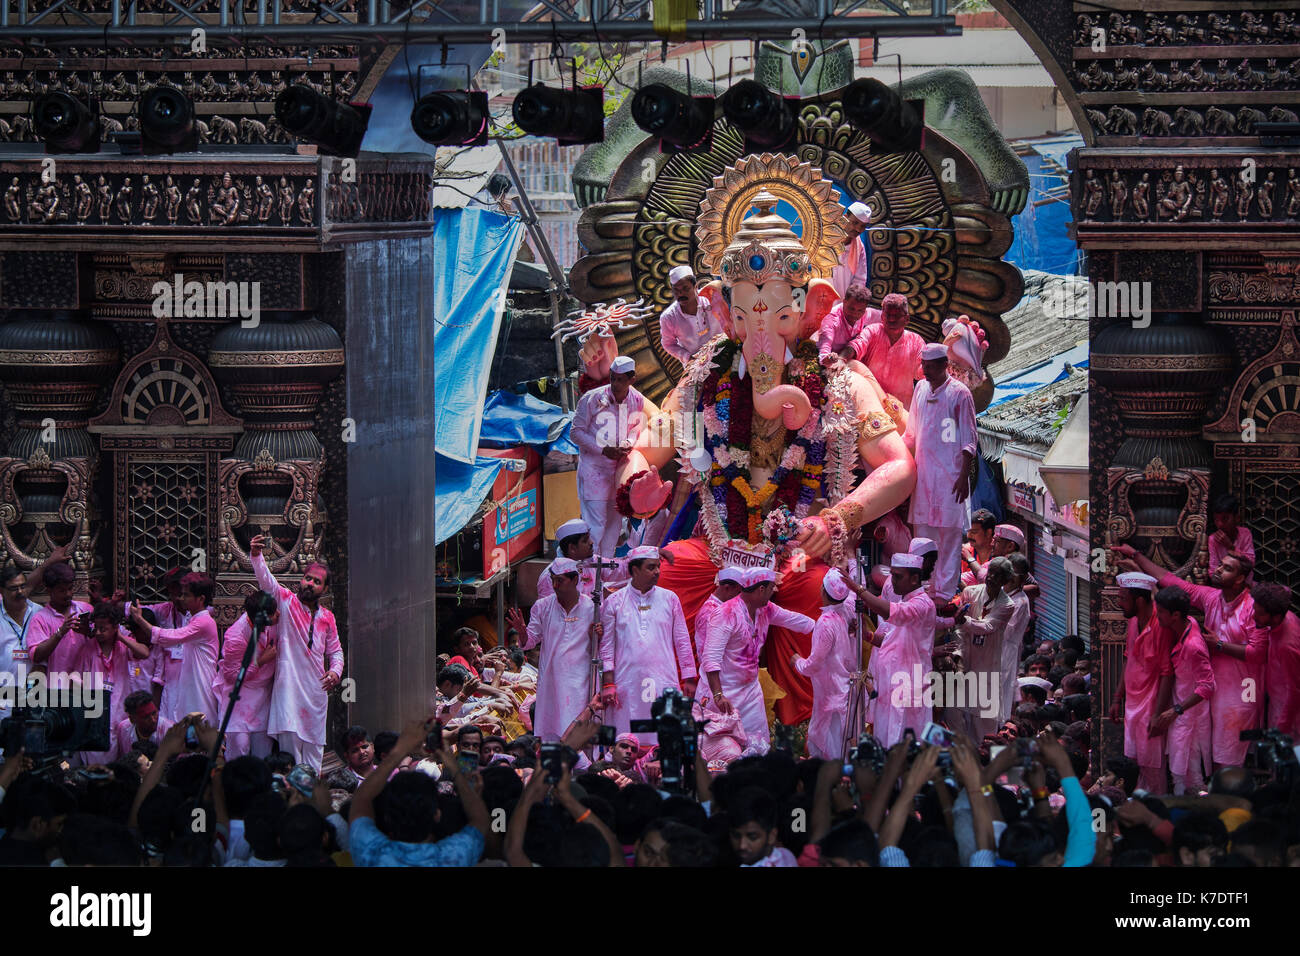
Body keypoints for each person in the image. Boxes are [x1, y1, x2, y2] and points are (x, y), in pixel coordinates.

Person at [1116, 542, 1260, 770]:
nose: (1219, 570)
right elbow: (1171, 582)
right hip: (1212, 691)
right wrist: (1137, 557)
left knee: (1228, 758)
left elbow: (1259, 653)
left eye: (1228, 568)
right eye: (1220, 565)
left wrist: (1220, 645)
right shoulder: (1213, 598)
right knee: (1210, 755)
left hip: (1242, 693)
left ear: (1241, 579)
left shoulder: (1252, 608)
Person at [248, 533, 344, 770]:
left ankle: (310, 802)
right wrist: (256, 556)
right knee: (291, 758)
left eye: (316, 581)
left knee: (314, 756)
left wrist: (336, 672)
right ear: (301, 580)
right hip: (288, 691)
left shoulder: (327, 618)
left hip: (315, 693)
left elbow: (336, 651)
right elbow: (266, 582)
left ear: (324, 588)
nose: (310, 584)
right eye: (307, 579)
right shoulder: (285, 602)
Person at [702, 567, 814, 755]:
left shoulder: (765, 610)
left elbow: (795, 620)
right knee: (725, 752)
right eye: (771, 588)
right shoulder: (725, 613)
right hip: (724, 693)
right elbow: (711, 658)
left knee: (758, 748)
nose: (773, 593)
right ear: (761, 590)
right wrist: (718, 694)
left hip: (750, 690)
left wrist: (826, 628)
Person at [349, 716, 489, 866]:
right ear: (437, 814)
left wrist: (400, 750)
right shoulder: (454, 856)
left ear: (387, 817)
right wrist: (451, 763)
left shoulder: (372, 853)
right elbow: (480, 819)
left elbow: (360, 801)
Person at [903, 342, 977, 602]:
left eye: (932, 367)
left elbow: (969, 438)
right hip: (923, 478)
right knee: (922, 537)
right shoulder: (921, 389)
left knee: (949, 540)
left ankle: (943, 595)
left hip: (950, 478)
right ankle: (922, 591)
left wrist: (963, 475)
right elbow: (910, 433)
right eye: (924, 366)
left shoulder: (960, 394)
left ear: (945, 366)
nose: (926, 371)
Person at [598, 546, 697, 738]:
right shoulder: (614, 602)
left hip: (663, 678)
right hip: (627, 680)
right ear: (635, 570)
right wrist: (608, 684)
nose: (657, 572)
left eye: (658, 567)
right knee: (627, 735)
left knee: (662, 734)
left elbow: (682, 641)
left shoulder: (670, 599)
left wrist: (689, 679)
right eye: (651, 567)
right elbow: (607, 646)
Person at [509, 557, 599, 740]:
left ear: (575, 580)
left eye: (560, 580)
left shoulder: (592, 608)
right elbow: (530, 642)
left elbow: (601, 645)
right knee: (552, 731)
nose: (555, 585)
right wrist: (522, 632)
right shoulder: (542, 606)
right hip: (551, 681)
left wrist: (596, 635)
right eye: (553, 580)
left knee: (578, 728)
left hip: (580, 681)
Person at [571, 355, 648, 558]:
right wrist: (603, 449)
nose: (614, 383)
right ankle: (587, 574)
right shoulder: (591, 398)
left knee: (614, 526)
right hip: (593, 469)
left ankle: (602, 575)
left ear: (632, 379)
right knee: (595, 525)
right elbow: (575, 432)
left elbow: (635, 427)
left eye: (620, 379)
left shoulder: (637, 400)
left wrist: (628, 444)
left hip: (618, 470)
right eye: (612, 378)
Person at [860, 553, 938, 746]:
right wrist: (866, 634)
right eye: (892, 575)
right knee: (886, 740)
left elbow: (893, 613)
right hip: (890, 685)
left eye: (898, 576)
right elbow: (885, 639)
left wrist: (859, 590)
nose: (892, 581)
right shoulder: (904, 602)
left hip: (910, 686)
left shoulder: (923, 604)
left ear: (914, 579)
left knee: (907, 744)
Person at [1107, 571, 1174, 793]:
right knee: (1134, 767)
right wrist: (1118, 698)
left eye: (1122, 598)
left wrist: (1157, 714)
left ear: (1139, 600)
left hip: (1150, 707)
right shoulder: (1134, 622)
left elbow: (1167, 673)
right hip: (1132, 707)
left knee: (1153, 770)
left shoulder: (1161, 626)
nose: (1119, 603)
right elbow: (1129, 659)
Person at [1148, 587, 1215, 795]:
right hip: (1183, 716)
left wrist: (1175, 710)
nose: (1157, 616)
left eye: (1160, 613)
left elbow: (1208, 686)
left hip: (1190, 718)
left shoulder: (1193, 645)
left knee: (1188, 775)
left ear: (1175, 615)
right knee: (1180, 771)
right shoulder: (1187, 625)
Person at [127, 572, 220, 724]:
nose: (181, 599)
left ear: (201, 599)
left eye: (186, 595)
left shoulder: (203, 621)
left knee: (200, 732)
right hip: (188, 684)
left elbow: (170, 637)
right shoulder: (193, 617)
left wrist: (140, 620)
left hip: (200, 685)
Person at [791, 568, 861, 760]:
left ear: (822, 590)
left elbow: (814, 664)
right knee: (846, 740)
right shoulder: (848, 608)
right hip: (845, 690)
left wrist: (797, 662)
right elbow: (854, 589)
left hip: (830, 696)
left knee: (831, 749)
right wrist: (851, 557)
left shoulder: (826, 622)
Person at [953, 556, 1015, 741]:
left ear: (1005, 581)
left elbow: (987, 627)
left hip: (986, 670)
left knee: (984, 729)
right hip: (963, 665)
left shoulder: (1007, 604)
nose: (992, 578)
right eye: (991, 573)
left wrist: (961, 619)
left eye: (998, 575)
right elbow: (958, 631)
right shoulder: (971, 592)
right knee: (954, 715)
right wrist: (958, 655)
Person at [213, 593, 280, 760]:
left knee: (263, 751)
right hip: (240, 698)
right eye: (273, 613)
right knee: (238, 749)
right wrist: (261, 661)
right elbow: (231, 676)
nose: (278, 614)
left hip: (263, 694)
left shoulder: (274, 622)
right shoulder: (236, 636)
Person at [849, 293, 924, 410]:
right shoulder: (873, 331)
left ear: (907, 319)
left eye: (897, 315)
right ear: (882, 316)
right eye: (888, 315)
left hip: (900, 410)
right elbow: (857, 345)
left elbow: (922, 373)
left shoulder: (916, 341)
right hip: (868, 403)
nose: (892, 320)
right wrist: (841, 358)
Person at [25, 561, 93, 685]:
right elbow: (36, 656)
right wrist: (60, 633)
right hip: (58, 690)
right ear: (49, 590)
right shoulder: (40, 619)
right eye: (62, 590)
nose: (68, 594)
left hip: (88, 686)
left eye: (70, 589)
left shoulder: (85, 609)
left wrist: (88, 632)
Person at [1250, 583, 1300, 737]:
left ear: (1276, 616)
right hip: (1278, 701)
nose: (1253, 616)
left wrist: (1282, 727)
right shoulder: (1285, 616)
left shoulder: (1287, 645)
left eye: (1260, 614)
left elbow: (1295, 691)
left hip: (1289, 714)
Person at [535, 517, 627, 601]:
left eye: (589, 538)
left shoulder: (592, 561)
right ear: (572, 548)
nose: (591, 542)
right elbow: (546, 612)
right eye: (585, 540)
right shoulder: (550, 576)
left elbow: (620, 569)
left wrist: (638, 557)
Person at [691, 566, 745, 706]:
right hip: (716, 685)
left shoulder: (724, 608)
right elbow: (707, 656)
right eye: (739, 592)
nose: (741, 598)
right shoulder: (710, 612)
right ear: (727, 588)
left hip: (727, 682)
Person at [658, 265, 726, 365]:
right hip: (697, 365)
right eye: (676, 290)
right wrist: (687, 357)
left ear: (695, 287)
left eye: (685, 289)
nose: (681, 294)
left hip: (726, 351)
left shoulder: (711, 298)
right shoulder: (668, 317)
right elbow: (668, 344)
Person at [0, 565, 40, 720]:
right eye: (13, 588)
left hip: (33, 694)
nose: (20, 592)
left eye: (23, 586)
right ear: (2, 590)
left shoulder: (38, 612)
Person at [729, 786, 797, 867]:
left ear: (772, 836)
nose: (742, 846)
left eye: (752, 837)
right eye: (736, 836)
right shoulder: (785, 855)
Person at [817, 283, 876, 367]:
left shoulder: (866, 313)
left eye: (860, 310)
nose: (855, 314)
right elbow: (824, 351)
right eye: (851, 308)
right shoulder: (831, 319)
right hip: (831, 365)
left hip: (849, 360)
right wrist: (829, 358)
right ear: (844, 302)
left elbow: (883, 316)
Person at [113, 690, 173, 761]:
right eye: (146, 717)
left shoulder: (169, 730)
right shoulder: (123, 729)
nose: (153, 720)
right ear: (132, 719)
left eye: (154, 713)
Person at [830, 201, 871, 297]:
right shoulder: (825, 237)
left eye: (862, 226)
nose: (858, 229)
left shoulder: (859, 248)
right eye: (855, 223)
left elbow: (859, 280)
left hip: (841, 305)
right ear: (845, 217)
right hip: (817, 300)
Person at [1208, 493, 1254, 575]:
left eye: (1225, 519)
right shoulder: (1213, 539)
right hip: (1223, 584)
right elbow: (1212, 571)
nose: (1219, 524)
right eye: (1216, 519)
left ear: (1237, 518)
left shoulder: (1245, 534)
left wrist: (1230, 547)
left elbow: (1250, 564)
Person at [960, 509, 997, 588]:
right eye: (968, 531)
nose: (969, 536)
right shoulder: (964, 551)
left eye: (974, 532)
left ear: (988, 532)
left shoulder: (999, 554)